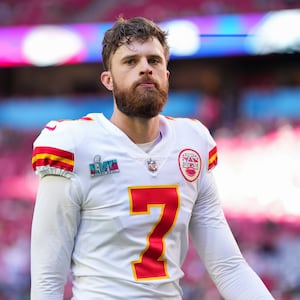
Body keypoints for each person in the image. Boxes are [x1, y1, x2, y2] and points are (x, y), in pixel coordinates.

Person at [30, 16, 274, 300]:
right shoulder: (75, 145)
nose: (145, 68)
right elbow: (48, 278)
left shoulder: (191, 143)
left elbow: (229, 266)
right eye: (131, 61)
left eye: (154, 60)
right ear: (108, 80)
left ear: (166, 75)